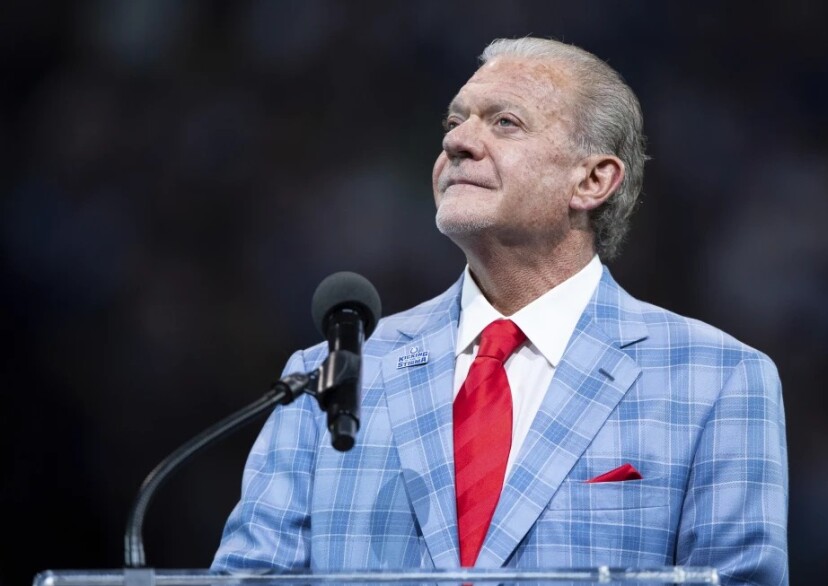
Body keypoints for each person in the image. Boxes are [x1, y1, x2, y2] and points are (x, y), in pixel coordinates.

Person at [211, 37, 788, 585]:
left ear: (591, 180)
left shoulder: (717, 380)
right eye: (454, 122)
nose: (458, 142)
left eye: (504, 122)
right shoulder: (334, 374)